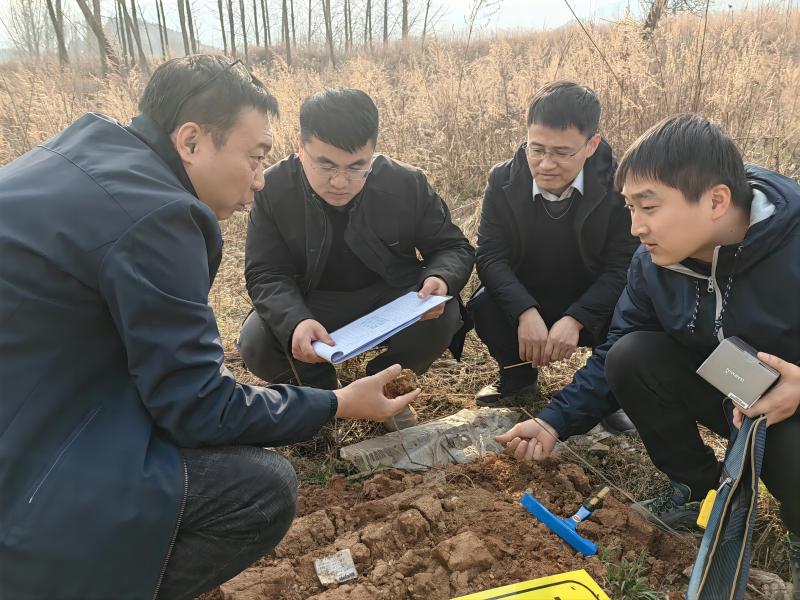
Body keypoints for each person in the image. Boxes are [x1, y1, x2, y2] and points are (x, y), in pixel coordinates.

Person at [0, 55, 419, 600]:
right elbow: (198, 407)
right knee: (262, 490)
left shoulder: (76, 151)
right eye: (255, 156)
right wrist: (336, 403)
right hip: (28, 473)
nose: (260, 179)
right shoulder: (158, 215)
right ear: (191, 141)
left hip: (31, 394)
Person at [496, 114, 799, 590]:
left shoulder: (792, 243)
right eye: (630, 207)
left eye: (649, 207)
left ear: (716, 201)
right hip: (732, 388)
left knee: (791, 448)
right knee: (631, 356)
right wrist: (554, 421)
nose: (636, 227)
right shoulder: (654, 262)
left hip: (787, 403)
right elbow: (616, 347)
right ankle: (697, 489)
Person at [237, 88, 474, 430]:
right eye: (325, 164)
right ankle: (325, 396)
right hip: (311, 300)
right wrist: (296, 321)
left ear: (372, 154)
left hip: (389, 294)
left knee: (443, 313)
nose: (339, 182)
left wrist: (440, 279)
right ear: (301, 147)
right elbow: (265, 272)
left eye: (356, 167)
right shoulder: (273, 188)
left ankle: (388, 386)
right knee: (257, 340)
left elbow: (452, 247)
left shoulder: (405, 183)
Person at [470, 81, 638, 433]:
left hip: (593, 295)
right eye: (537, 149)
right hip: (530, 291)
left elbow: (622, 267)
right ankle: (518, 378)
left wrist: (576, 318)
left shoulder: (619, 185)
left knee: (630, 315)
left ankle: (608, 393)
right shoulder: (503, 180)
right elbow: (490, 255)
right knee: (485, 305)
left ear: (591, 145)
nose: (545, 164)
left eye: (562, 152)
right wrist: (524, 311)